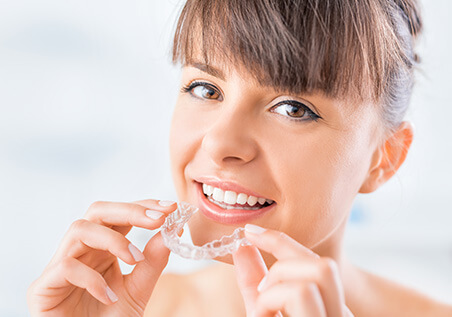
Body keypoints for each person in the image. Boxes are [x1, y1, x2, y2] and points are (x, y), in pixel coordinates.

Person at [27, 0, 452, 316]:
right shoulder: (114, 308)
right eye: (205, 89)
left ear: (384, 158)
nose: (219, 143)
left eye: (292, 108)